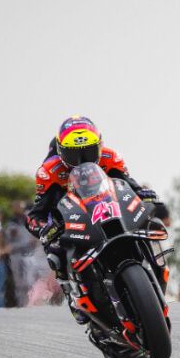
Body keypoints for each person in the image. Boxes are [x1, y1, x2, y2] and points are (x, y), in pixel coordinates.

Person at [26, 116, 161, 323]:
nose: (82, 159)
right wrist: (45, 228)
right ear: (61, 151)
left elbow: (129, 185)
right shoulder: (49, 171)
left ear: (99, 145)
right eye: (73, 153)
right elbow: (36, 215)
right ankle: (72, 292)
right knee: (55, 250)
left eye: (88, 152)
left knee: (148, 222)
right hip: (71, 219)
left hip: (108, 209)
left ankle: (156, 265)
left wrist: (144, 194)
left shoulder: (111, 157)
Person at [5, 201, 42, 307]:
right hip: (15, 255)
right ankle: (21, 304)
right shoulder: (11, 222)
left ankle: (31, 303)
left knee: (29, 281)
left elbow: (35, 239)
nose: (17, 209)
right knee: (19, 282)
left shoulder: (30, 220)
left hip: (29, 254)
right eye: (15, 207)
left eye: (19, 207)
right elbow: (9, 237)